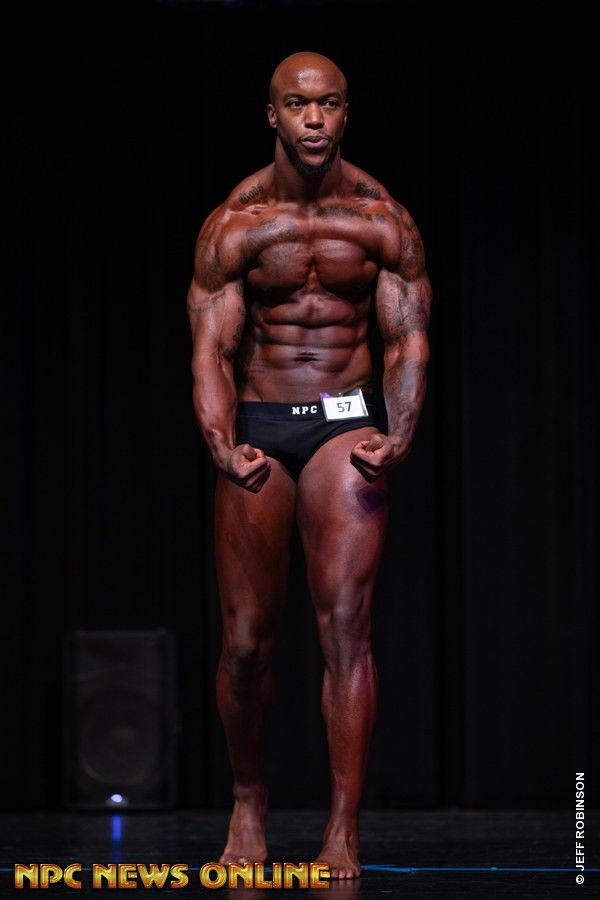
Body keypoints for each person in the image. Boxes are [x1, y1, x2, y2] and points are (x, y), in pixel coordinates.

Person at [187, 51, 432, 879]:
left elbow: (407, 339)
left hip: (342, 424)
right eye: (298, 105)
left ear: (347, 112)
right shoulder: (235, 223)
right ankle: (248, 797)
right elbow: (211, 348)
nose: (315, 119)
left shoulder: (383, 218)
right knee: (246, 643)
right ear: (274, 116)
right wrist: (219, 439)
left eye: (329, 104)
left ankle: (342, 827)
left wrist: (400, 431)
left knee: (346, 629)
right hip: (260, 421)